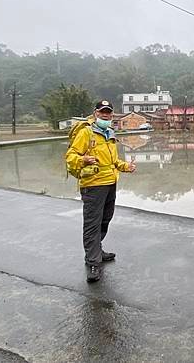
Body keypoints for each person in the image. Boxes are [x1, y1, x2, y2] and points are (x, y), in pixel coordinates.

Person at [65, 100, 136, 282]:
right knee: (92, 223)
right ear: (95, 113)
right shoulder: (86, 133)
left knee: (105, 218)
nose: (105, 115)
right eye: (102, 112)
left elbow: (112, 161)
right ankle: (93, 262)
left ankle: (98, 250)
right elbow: (71, 157)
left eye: (108, 112)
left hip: (110, 183)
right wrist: (83, 160)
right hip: (93, 184)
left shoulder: (109, 133)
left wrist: (125, 166)